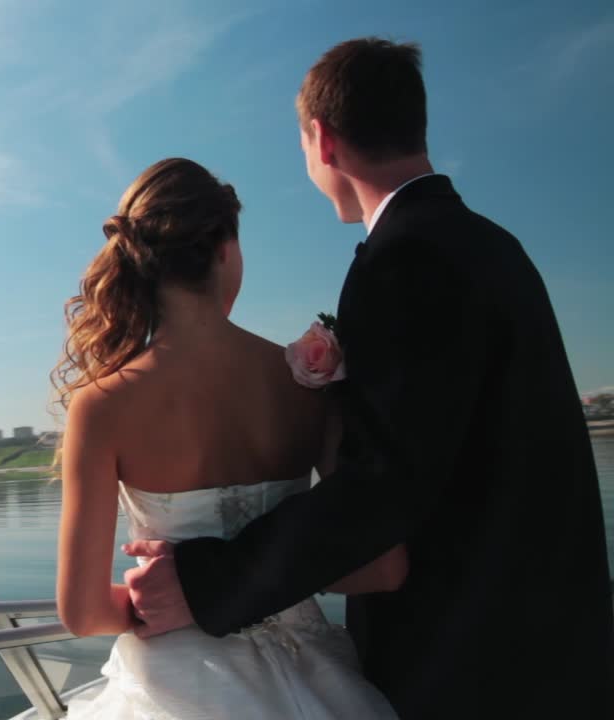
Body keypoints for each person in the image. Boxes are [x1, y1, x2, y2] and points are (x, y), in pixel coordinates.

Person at [123, 38, 614, 718]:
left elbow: (382, 485)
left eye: (301, 146)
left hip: (472, 664)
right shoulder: (494, 246)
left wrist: (207, 583)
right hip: (551, 645)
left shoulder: (404, 261)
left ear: (323, 140)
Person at [53, 157, 401, 717]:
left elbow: (84, 611)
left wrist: (172, 602)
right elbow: (382, 568)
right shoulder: (310, 384)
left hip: (177, 681)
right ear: (223, 248)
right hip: (315, 677)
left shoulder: (101, 406)